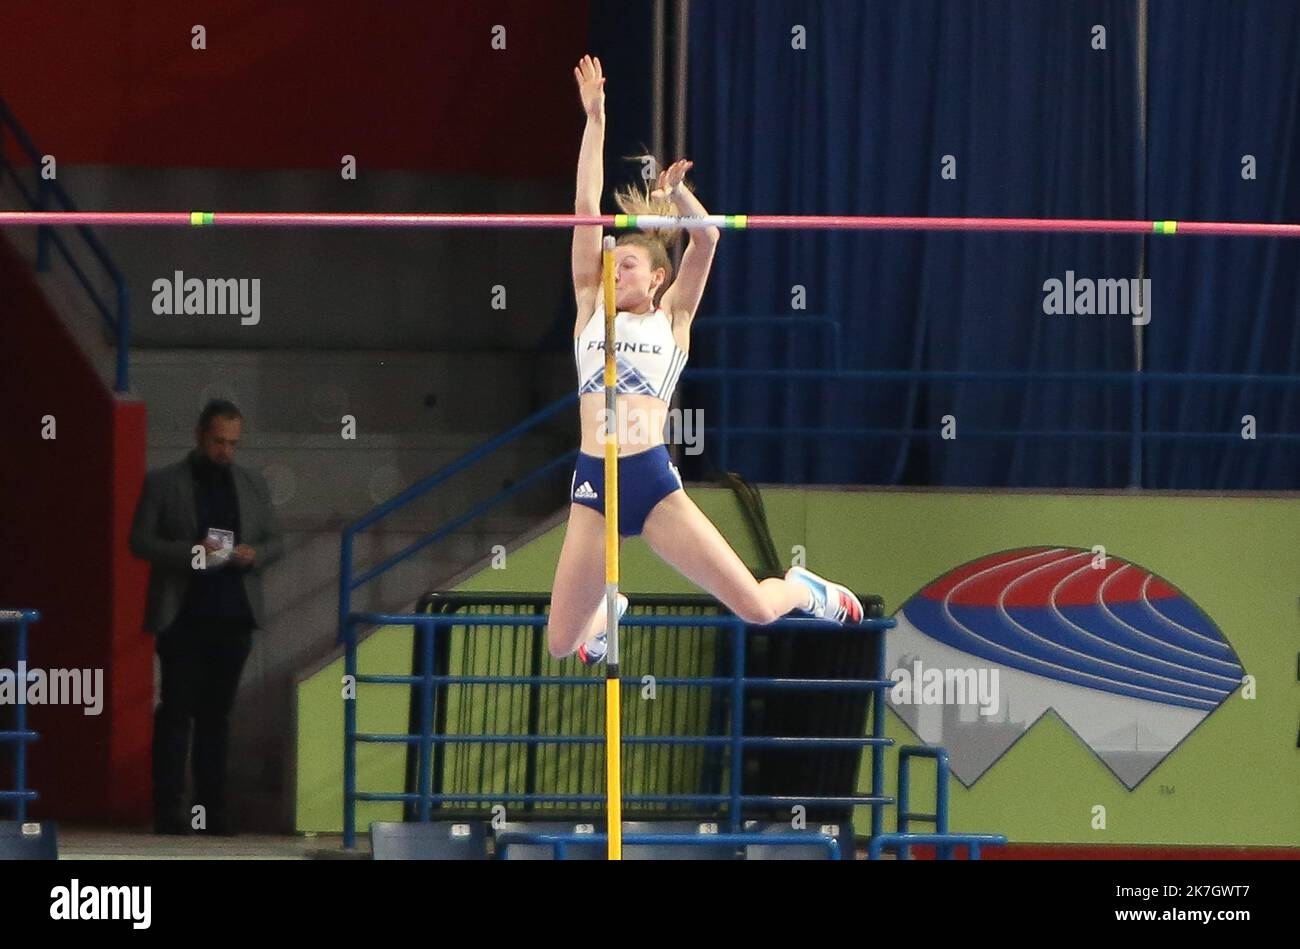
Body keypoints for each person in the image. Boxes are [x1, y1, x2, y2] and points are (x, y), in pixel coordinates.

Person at [550, 55, 863, 665]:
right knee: (561, 645)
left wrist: (677, 195)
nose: (615, 271)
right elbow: (587, 206)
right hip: (594, 481)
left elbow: (708, 238)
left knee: (754, 607)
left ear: (658, 276)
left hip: (649, 483)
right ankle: (606, 613)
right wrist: (595, 119)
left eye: (630, 265)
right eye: (612, 266)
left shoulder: (674, 321)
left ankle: (802, 587)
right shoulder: (591, 310)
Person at [129, 399, 283, 834]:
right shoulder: (163, 482)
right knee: (177, 713)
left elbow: (276, 541)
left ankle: (213, 813)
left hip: (234, 615)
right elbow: (140, 541)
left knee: (217, 716)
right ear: (199, 435)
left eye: (233, 443)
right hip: (183, 616)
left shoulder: (253, 484)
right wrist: (191, 552)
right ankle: (169, 813)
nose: (226, 451)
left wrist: (254, 555)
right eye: (219, 441)